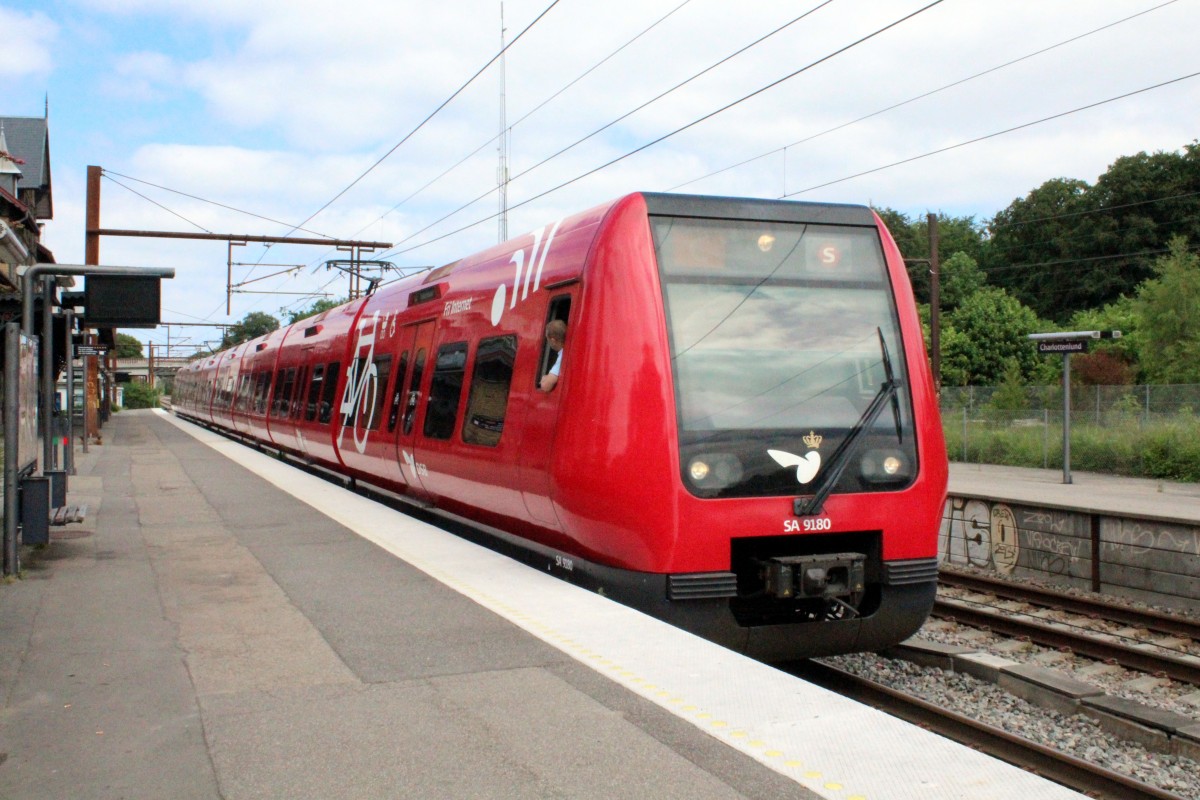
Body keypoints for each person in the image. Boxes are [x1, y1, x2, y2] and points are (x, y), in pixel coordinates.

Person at [539, 319, 566, 392]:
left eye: (547, 339)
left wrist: (545, 378)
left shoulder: (563, 356)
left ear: (553, 340)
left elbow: (545, 386)